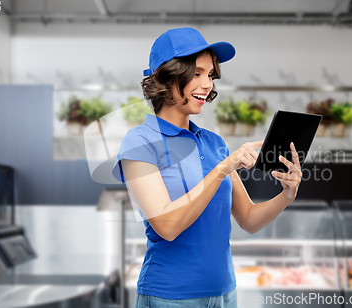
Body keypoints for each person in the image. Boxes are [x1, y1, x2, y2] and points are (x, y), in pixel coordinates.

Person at [112, 27, 302, 308]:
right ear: (169, 76)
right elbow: (167, 225)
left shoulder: (214, 143)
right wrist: (223, 168)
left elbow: (248, 219)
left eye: (210, 75)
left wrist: (287, 194)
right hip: (169, 297)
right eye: (197, 73)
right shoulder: (140, 142)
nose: (208, 84)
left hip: (225, 293)